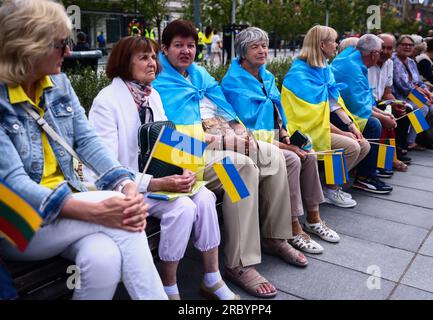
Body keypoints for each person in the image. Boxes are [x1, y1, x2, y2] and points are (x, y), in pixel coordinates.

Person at [0, 0, 166, 300]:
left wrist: (126, 184)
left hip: (67, 210)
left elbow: (88, 142)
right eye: (61, 44)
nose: (69, 52)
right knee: (127, 220)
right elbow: (13, 185)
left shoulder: (59, 84)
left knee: (103, 259)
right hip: (18, 224)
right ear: (29, 45)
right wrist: (98, 208)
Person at [153, 19, 307, 299]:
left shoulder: (199, 75)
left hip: (221, 141)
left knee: (273, 156)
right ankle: (240, 262)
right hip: (187, 155)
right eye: (178, 45)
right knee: (240, 169)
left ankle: (275, 236)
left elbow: (224, 110)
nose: (186, 51)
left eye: (190, 45)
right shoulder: (158, 82)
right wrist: (224, 140)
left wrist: (239, 130)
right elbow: (168, 141)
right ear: (164, 49)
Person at [87, 36, 238, 301]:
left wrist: (185, 169)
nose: (153, 63)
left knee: (212, 192)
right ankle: (170, 287)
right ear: (125, 62)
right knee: (190, 203)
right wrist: (161, 180)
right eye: (144, 57)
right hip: (133, 183)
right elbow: (108, 167)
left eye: (153, 57)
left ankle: (220, 273)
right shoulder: (113, 100)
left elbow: (171, 142)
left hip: (197, 156)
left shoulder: (163, 90)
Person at [222, 26, 341, 255]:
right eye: (254, 47)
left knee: (309, 153)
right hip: (249, 144)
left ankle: (314, 218)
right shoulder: (233, 84)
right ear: (242, 52)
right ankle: (293, 225)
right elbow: (245, 131)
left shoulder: (266, 76)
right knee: (292, 159)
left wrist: (286, 135)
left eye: (264, 46)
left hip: (272, 139)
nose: (262, 51)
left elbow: (278, 114)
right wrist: (286, 145)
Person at [281, 25, 370, 204]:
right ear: (322, 45)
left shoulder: (324, 68)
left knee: (364, 144)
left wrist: (351, 125)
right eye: (334, 41)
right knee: (352, 147)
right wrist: (342, 132)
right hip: (302, 134)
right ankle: (330, 189)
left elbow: (333, 104)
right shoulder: (298, 74)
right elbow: (307, 120)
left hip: (319, 129)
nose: (336, 45)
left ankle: (329, 185)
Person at [332, 34, 394, 194]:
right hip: (325, 119)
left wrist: (383, 114)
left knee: (379, 120)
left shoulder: (354, 62)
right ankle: (365, 177)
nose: (335, 46)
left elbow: (364, 101)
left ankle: (377, 166)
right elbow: (357, 106)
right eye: (380, 52)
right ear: (373, 54)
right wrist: (382, 117)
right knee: (374, 124)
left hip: (336, 112)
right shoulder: (351, 67)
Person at [368, 33, 411, 170]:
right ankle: (384, 160)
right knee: (384, 118)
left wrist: (395, 103)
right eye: (383, 48)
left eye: (389, 48)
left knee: (406, 110)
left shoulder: (390, 63)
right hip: (370, 103)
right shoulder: (368, 63)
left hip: (380, 101)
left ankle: (398, 150)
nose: (385, 52)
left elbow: (387, 92)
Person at [392, 35, 433, 151]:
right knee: (423, 107)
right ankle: (411, 141)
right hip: (400, 96)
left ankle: (419, 136)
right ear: (397, 46)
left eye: (410, 45)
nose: (407, 47)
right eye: (404, 45)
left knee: (431, 103)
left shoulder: (411, 61)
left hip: (411, 95)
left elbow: (419, 82)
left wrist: (428, 93)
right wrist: (423, 94)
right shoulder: (394, 60)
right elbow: (403, 85)